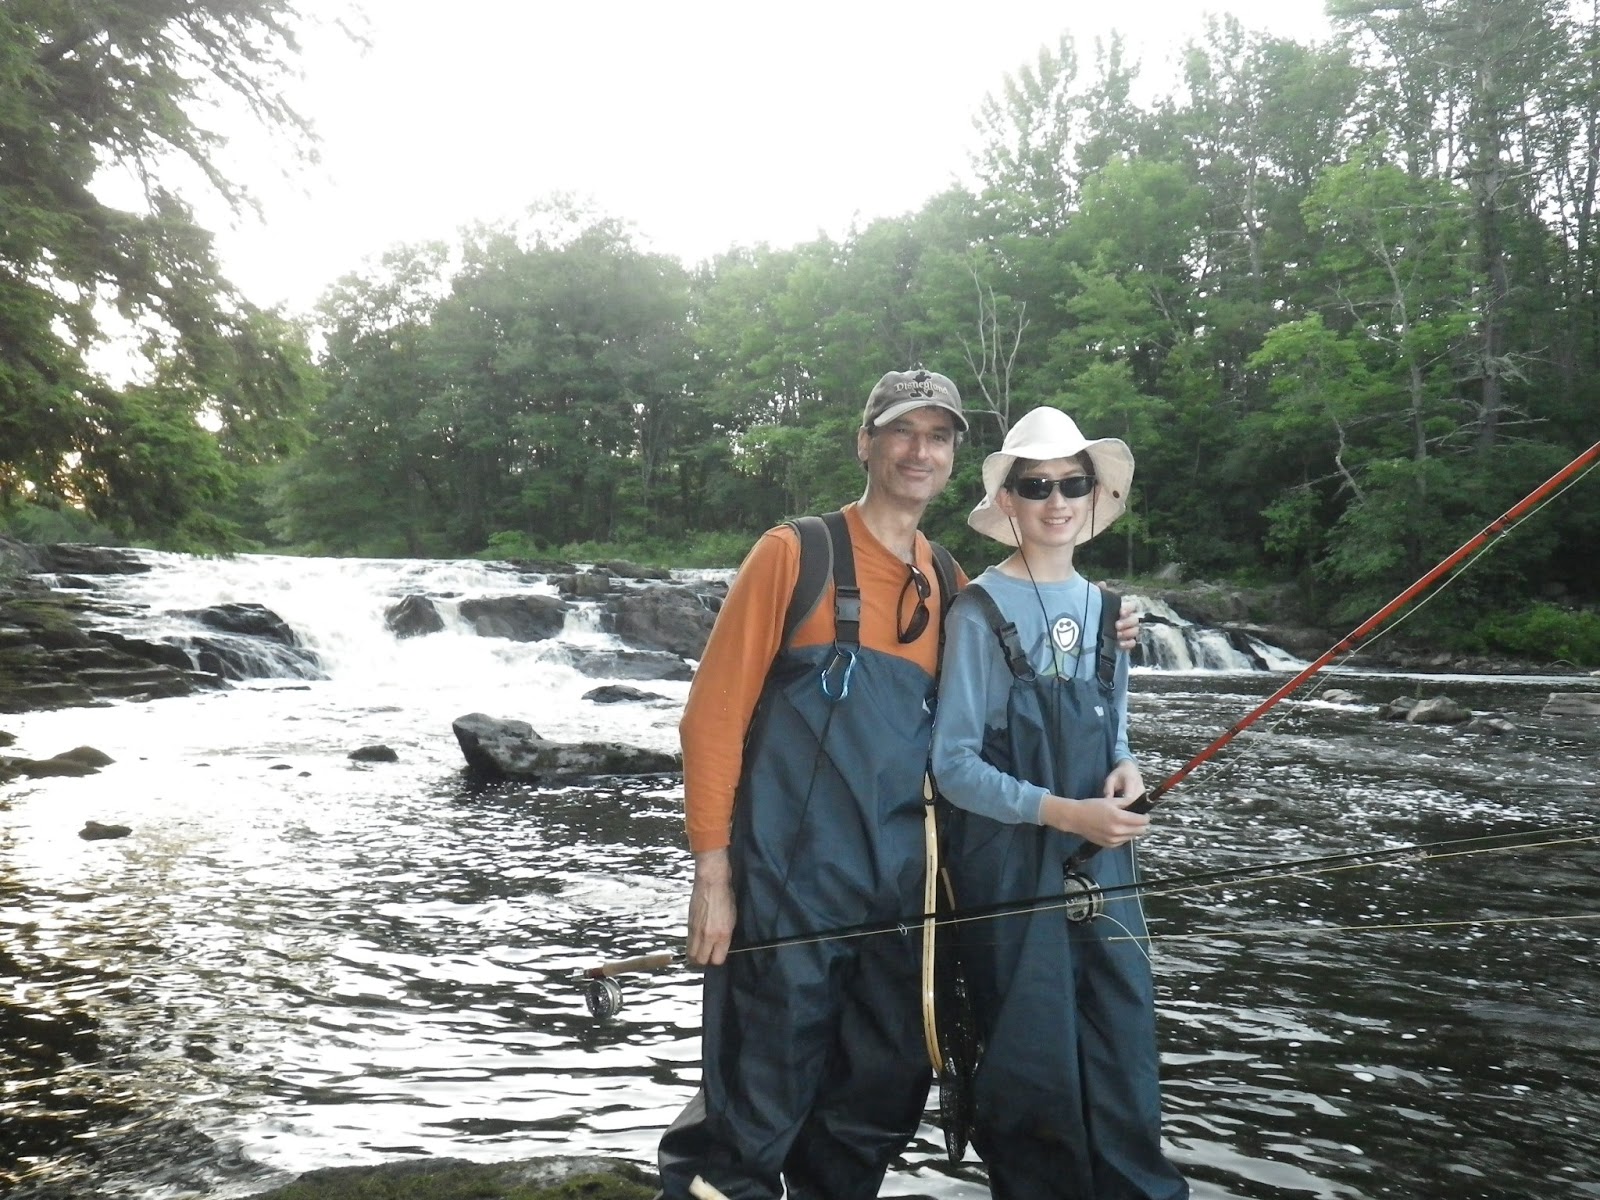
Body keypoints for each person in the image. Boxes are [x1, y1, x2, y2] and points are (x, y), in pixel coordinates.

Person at [656, 374, 1140, 1200]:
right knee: (756, 1096)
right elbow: (711, 719)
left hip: (907, 896)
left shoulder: (951, 581)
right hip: (789, 885)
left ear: (954, 457)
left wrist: (1108, 629)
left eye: (938, 435)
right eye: (901, 432)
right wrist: (713, 876)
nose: (921, 450)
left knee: (874, 1095)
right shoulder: (795, 554)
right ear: (866, 443)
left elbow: (1018, 662)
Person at [930, 405, 1189, 1200]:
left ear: (1093, 493)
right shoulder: (977, 612)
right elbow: (953, 766)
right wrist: (1064, 812)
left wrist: (1127, 768)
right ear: (1008, 500)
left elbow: (1116, 732)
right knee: (1031, 1055)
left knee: (1121, 1038)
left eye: (1071, 483)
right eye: (1035, 485)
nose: (1056, 500)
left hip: (1104, 862)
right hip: (1007, 866)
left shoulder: (1114, 612)